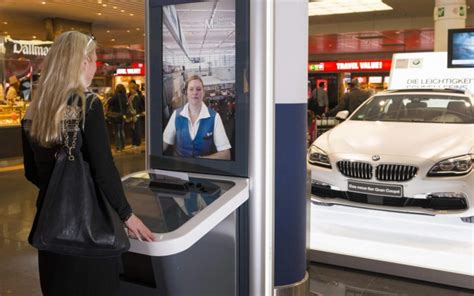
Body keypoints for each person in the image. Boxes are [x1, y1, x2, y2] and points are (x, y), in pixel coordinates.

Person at [21, 31, 154, 296]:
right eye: (94, 59)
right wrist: (127, 215)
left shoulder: (35, 109)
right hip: (89, 233)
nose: (96, 66)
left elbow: (32, 172)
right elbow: (103, 171)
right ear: (82, 61)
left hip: (51, 229)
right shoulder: (86, 104)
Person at [163, 75, 231, 159]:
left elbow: (226, 154)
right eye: (191, 89)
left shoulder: (214, 117)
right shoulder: (176, 115)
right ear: (186, 93)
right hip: (179, 168)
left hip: (202, 169)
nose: (195, 92)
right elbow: (164, 143)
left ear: (203, 93)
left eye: (198, 89)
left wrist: (200, 161)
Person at [107, 84, 128, 152]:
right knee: (122, 130)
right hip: (122, 116)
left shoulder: (116, 96)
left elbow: (109, 102)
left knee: (117, 132)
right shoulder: (125, 96)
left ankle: (118, 147)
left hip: (116, 115)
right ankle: (123, 145)